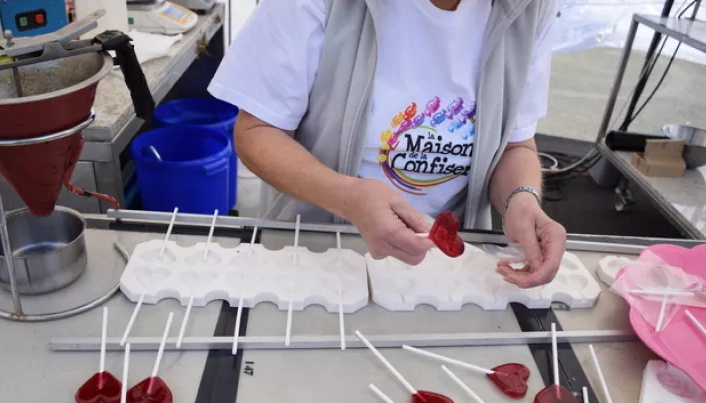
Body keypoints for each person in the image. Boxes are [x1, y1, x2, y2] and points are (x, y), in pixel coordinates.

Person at [209, 0, 567, 288]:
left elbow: (514, 146)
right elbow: (257, 131)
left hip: (448, 269)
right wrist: (348, 197)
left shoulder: (529, 8)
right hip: (318, 258)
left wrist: (521, 200)